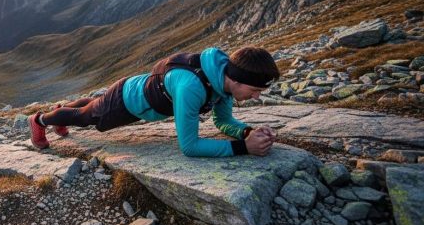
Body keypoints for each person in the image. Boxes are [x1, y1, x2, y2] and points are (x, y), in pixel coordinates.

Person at [29, 46, 280, 157]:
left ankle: (62, 111)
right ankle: (40, 119)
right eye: (255, 89)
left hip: (133, 89)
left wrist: (247, 133)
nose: (257, 96)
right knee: (87, 119)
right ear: (237, 79)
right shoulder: (192, 87)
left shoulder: (222, 82)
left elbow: (223, 121)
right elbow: (190, 147)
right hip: (127, 101)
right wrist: (242, 149)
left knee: (94, 105)